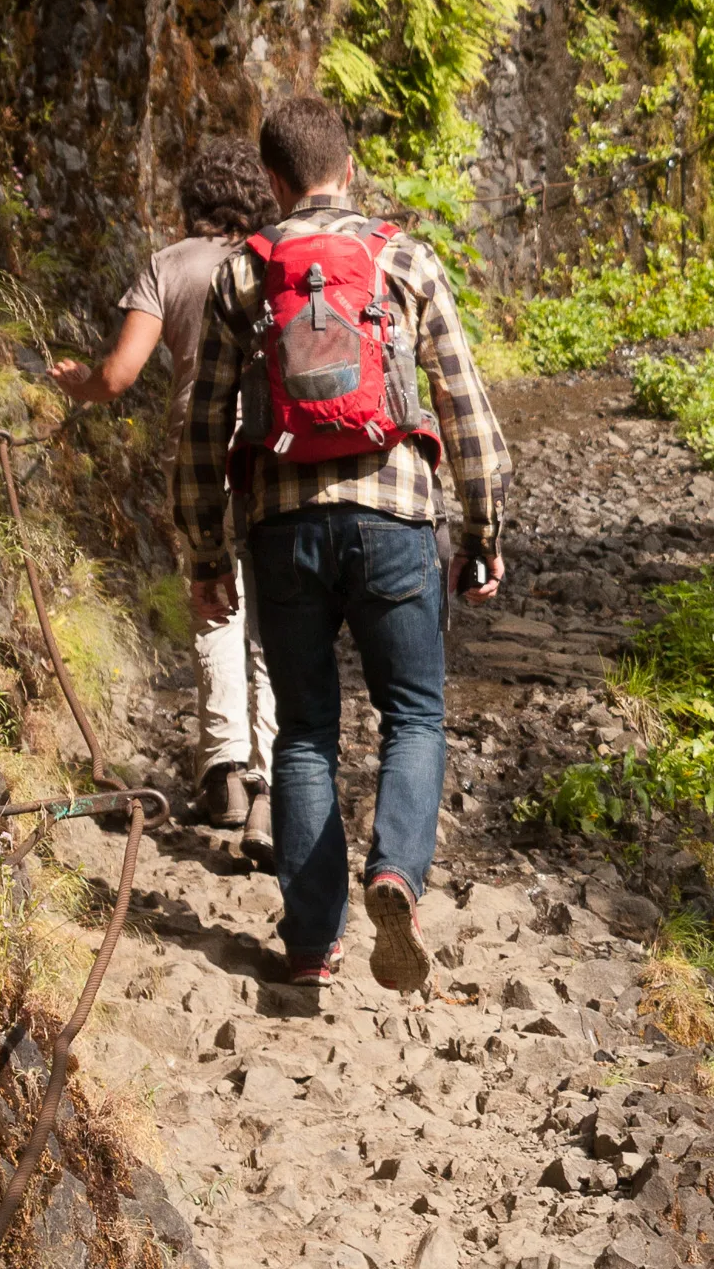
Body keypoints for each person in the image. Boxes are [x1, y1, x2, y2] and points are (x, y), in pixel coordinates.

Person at [172, 95, 510, 991]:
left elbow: (205, 428)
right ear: (349, 167)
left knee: (307, 734)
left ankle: (311, 941)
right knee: (414, 714)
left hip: (283, 532)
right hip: (396, 518)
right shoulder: (402, 258)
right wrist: (481, 531)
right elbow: (465, 412)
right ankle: (394, 872)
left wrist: (207, 557)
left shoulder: (243, 275)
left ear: (274, 183)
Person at [54, 140, 281, 847]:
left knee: (213, 601)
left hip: (201, 447)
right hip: (277, 450)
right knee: (275, 612)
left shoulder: (172, 265)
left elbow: (119, 375)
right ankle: (277, 782)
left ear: (193, 203)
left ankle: (224, 774)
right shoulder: (276, 257)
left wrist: (76, 383)